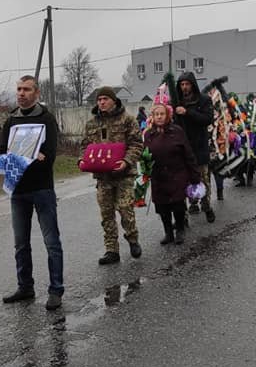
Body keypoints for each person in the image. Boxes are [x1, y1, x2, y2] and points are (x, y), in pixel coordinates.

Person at [0, 75, 64, 310]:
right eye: (18, 89)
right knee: (20, 244)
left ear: (36, 93)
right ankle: (25, 287)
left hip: (42, 189)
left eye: (26, 89)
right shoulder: (10, 121)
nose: (21, 93)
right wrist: (31, 156)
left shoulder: (46, 119)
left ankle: (56, 289)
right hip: (18, 189)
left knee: (51, 241)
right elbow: (2, 154)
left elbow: (49, 158)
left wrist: (21, 157)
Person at [79, 86, 143, 264]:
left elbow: (137, 144)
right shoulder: (92, 123)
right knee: (106, 213)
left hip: (124, 174)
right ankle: (111, 250)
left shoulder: (127, 120)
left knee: (125, 208)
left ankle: (132, 239)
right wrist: (81, 161)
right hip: (103, 176)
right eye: (99, 100)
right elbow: (84, 146)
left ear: (114, 101)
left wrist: (127, 161)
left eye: (105, 99)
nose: (102, 102)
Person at [144, 102, 201, 245]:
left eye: (162, 114)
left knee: (177, 205)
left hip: (177, 174)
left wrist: (194, 175)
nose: (159, 117)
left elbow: (188, 154)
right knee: (162, 207)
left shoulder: (177, 131)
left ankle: (180, 230)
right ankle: (168, 232)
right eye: (156, 114)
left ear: (168, 115)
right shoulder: (149, 134)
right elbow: (144, 155)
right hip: (158, 176)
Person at [175, 72, 215, 222]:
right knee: (182, 183)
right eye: (182, 85)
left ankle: (207, 207)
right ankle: (183, 215)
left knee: (203, 181)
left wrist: (188, 112)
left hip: (199, 147)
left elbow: (207, 119)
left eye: (187, 84)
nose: (185, 87)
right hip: (182, 149)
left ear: (193, 84)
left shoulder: (204, 100)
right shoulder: (176, 101)